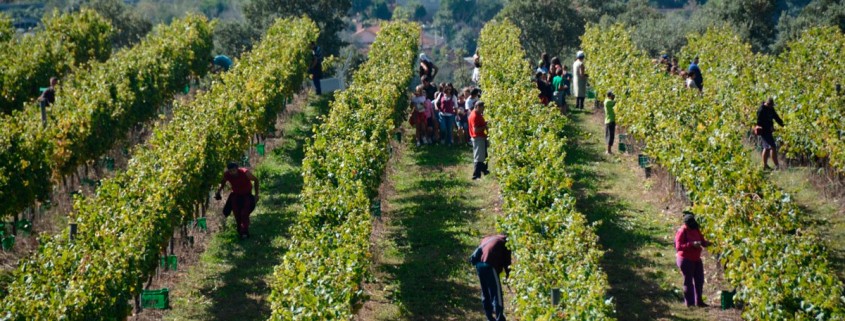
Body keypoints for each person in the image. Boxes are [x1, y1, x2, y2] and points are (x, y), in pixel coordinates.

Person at [674, 211, 711, 308]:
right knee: (688, 281)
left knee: (699, 280)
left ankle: (699, 301)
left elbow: (702, 241)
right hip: (685, 259)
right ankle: (690, 304)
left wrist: (707, 243)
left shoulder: (696, 229)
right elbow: (678, 247)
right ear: (686, 224)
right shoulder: (682, 231)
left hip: (696, 258)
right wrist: (691, 244)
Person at [215, 162, 260, 239]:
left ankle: (245, 232)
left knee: (244, 214)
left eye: (234, 170)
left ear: (237, 169)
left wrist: (256, 195)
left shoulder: (245, 172)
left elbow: (256, 180)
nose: (232, 172)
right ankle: (240, 231)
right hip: (236, 195)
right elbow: (223, 182)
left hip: (247, 195)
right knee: (237, 214)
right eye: (230, 171)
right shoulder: (227, 174)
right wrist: (219, 191)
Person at [473, 234, 511, 321]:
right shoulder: (504, 242)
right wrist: (509, 276)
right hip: (490, 266)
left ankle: (489, 317)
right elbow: (507, 263)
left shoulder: (487, 238)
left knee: (485, 291)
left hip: (479, 265)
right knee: (496, 293)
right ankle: (499, 318)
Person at [755, 98, 785, 170]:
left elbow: (776, 117)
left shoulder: (771, 109)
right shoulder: (761, 110)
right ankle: (777, 165)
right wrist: (769, 127)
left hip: (768, 131)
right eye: (770, 105)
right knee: (772, 147)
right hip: (764, 131)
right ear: (767, 104)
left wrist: (783, 125)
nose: (771, 107)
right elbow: (759, 122)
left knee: (766, 148)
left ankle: (765, 166)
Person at [469, 101, 490, 179]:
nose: (483, 110)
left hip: (480, 137)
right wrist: (485, 126)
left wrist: (484, 123)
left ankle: (484, 170)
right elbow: (476, 130)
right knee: (479, 157)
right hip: (478, 138)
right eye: (482, 108)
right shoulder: (475, 116)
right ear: (477, 107)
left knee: (484, 155)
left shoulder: (476, 114)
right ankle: (476, 175)